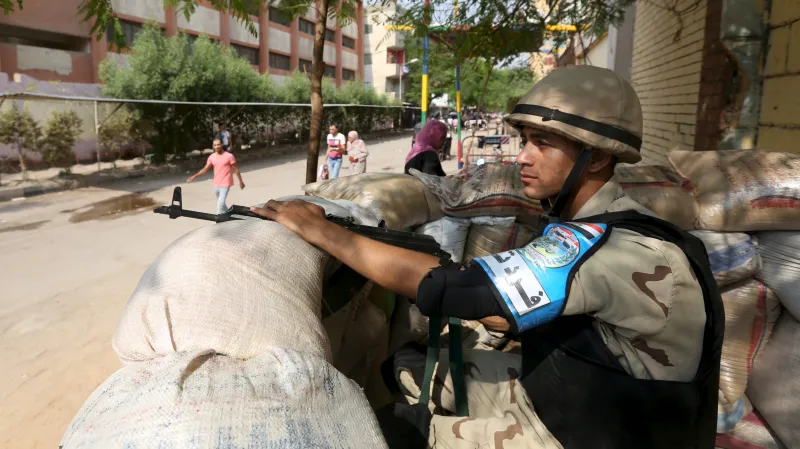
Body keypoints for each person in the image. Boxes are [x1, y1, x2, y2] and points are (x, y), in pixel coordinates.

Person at [250, 65, 723, 449]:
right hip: (578, 399)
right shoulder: (601, 224)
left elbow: (453, 287)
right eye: (526, 140)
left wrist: (323, 231)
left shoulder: (614, 248)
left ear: (596, 158)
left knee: (391, 432)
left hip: (592, 433)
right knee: (405, 366)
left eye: (543, 143)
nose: (523, 157)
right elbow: (517, 310)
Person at [187, 138, 245, 214]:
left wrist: (241, 182)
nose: (217, 146)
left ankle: (217, 220)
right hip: (216, 184)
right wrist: (194, 176)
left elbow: (236, 170)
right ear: (213, 146)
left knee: (220, 204)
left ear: (222, 144)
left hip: (225, 183)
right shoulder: (212, 157)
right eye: (215, 145)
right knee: (221, 204)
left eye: (218, 144)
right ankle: (231, 215)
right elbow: (205, 169)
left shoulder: (229, 156)